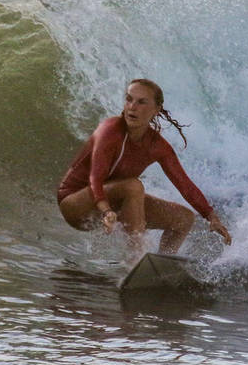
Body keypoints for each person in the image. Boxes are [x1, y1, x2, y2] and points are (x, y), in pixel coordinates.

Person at [57, 78, 232, 258]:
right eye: (129, 99)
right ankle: (136, 258)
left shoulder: (157, 146)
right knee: (133, 186)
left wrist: (212, 217)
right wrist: (106, 210)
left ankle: (160, 264)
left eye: (141, 102)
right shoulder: (110, 130)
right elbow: (95, 178)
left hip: (113, 202)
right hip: (75, 203)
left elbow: (185, 185)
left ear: (156, 110)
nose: (132, 107)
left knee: (184, 219)